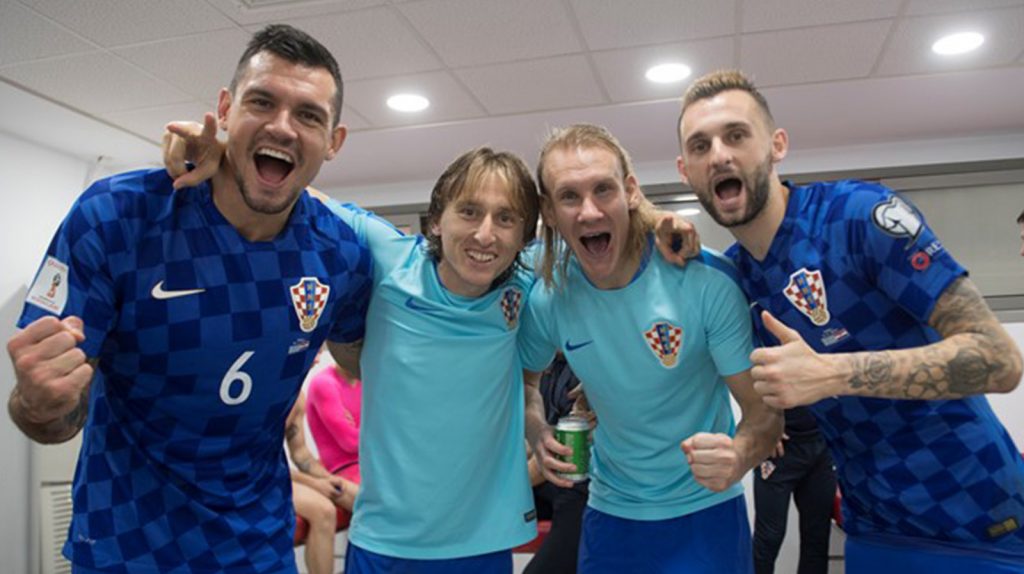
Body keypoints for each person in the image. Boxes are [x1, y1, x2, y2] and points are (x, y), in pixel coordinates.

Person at [5, 24, 373, 573]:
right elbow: (49, 419)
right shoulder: (116, 216)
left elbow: (368, 361)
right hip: (127, 549)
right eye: (261, 101)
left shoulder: (341, 252)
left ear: (334, 141)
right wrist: (37, 402)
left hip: (258, 550)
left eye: (308, 115)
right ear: (225, 110)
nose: (282, 126)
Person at [675, 69, 1024, 572]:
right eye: (701, 145)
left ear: (776, 145)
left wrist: (831, 373)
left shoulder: (858, 217)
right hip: (870, 527)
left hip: (977, 519)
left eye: (736, 135)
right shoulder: (735, 280)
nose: (719, 155)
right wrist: (739, 456)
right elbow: (767, 418)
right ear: (686, 172)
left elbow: (999, 359)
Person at [521, 123, 783, 574]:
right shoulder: (548, 294)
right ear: (549, 210)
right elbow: (525, 382)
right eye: (569, 196)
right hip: (609, 516)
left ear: (630, 191)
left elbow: (764, 414)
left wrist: (740, 455)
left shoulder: (705, 281)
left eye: (603, 190)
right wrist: (536, 431)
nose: (588, 211)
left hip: (704, 513)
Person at [525, 354, 591, 574]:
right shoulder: (542, 363)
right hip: (550, 482)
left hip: (581, 488)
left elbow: (560, 455)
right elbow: (531, 441)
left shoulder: (587, 368)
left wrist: (493, 491)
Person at [752, 407, 836, 574]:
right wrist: (763, 422)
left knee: (817, 536)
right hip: (778, 447)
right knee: (769, 537)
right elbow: (747, 392)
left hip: (821, 444)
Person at [285, 389, 357, 574]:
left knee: (357, 497)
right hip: (254, 478)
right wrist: (315, 484)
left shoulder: (297, 398)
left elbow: (300, 454)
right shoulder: (259, 397)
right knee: (323, 511)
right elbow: (258, 464)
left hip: (279, 473)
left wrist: (327, 478)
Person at [306, 361, 362, 485]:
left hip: (371, 464)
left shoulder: (369, 382)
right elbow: (351, 443)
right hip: (347, 471)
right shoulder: (324, 383)